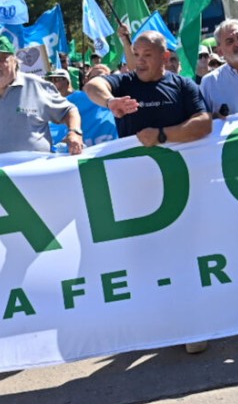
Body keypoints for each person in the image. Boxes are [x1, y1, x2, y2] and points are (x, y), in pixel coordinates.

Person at [84, 31, 212, 353]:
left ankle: (192, 325)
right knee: (143, 257)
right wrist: (111, 102)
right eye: (136, 54)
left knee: (182, 255)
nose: (139, 61)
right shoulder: (124, 84)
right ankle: (156, 325)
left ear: (164, 56)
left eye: (147, 55)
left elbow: (204, 123)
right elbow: (92, 86)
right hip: (133, 189)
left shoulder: (183, 85)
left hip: (178, 188)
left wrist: (163, 136)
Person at [0, 35, 83, 165]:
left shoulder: (35, 85)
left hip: (38, 171)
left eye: (0, 58)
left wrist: (75, 132)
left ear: (15, 61)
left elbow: (69, 110)